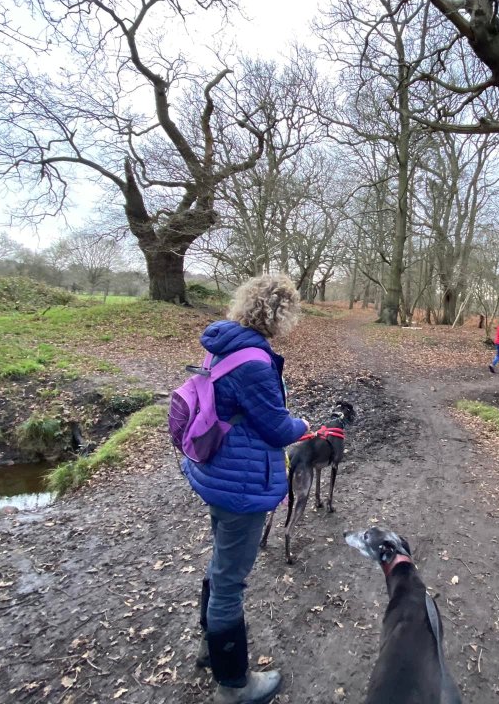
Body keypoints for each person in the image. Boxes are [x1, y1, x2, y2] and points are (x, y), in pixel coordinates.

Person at [183, 274, 310, 704]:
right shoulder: (254, 361)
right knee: (230, 581)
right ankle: (234, 685)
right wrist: (304, 425)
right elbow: (276, 429)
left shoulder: (221, 344)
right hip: (240, 483)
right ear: (280, 313)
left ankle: (209, 650)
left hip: (214, 472)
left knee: (221, 566)